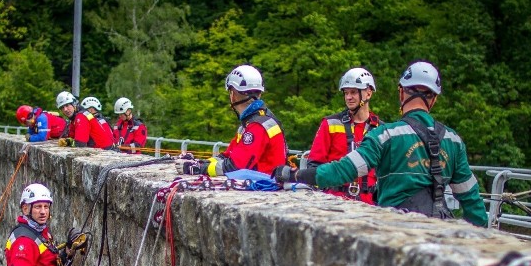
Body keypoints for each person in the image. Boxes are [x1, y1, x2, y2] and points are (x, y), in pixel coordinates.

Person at [277, 61, 488, 227]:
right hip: (439, 227)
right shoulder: (453, 140)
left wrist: (294, 175)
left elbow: (343, 170)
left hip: (396, 225)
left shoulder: (386, 134)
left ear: (401, 92)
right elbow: (471, 200)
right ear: (433, 99)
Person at [175, 64, 287, 176]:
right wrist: (200, 163)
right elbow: (228, 156)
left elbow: (235, 166)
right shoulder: (255, 121)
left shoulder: (256, 126)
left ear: (233, 94)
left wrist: (199, 169)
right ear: (260, 93)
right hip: (264, 182)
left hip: (263, 185)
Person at [306, 68, 383, 204]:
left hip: (370, 203)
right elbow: (314, 164)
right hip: (334, 201)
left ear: (368, 93)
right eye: (346, 93)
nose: (348, 97)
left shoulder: (381, 129)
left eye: (353, 92)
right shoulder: (330, 124)